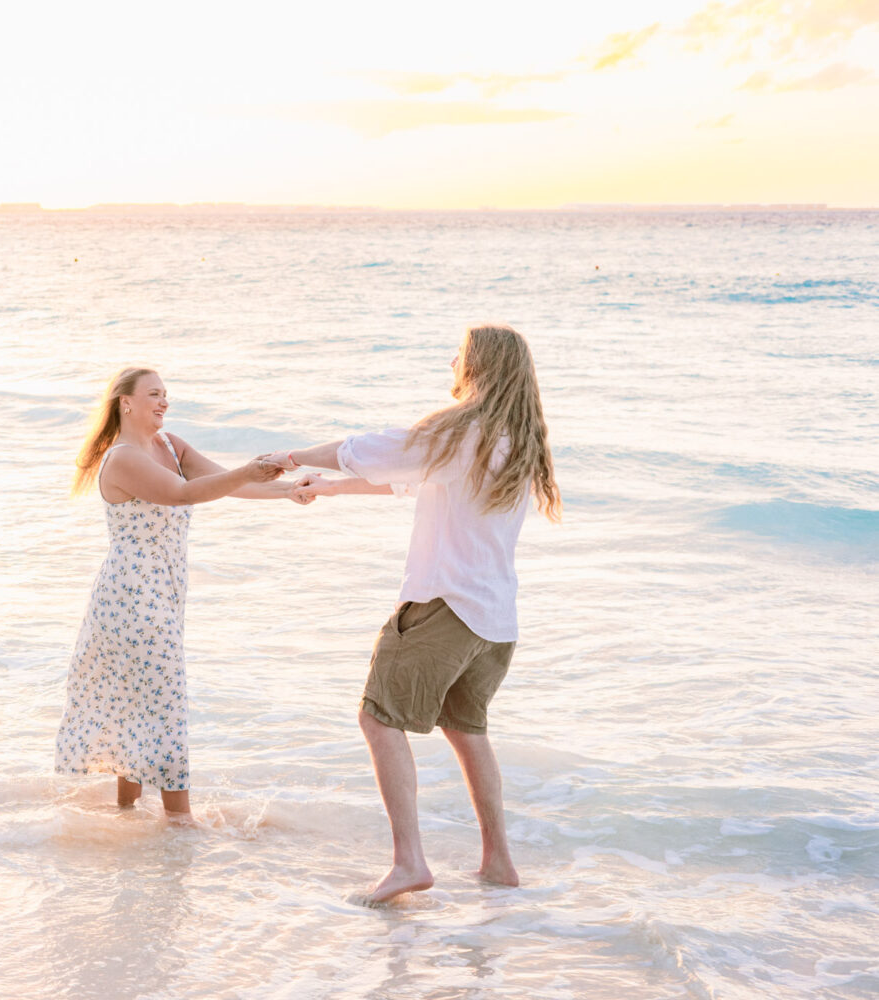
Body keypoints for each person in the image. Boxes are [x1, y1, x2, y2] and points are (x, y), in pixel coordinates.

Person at [273, 324, 561, 903]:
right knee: (466, 729)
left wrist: (289, 457)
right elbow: (415, 481)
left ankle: (409, 863)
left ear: (477, 366)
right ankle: (499, 864)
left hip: (444, 607)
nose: (451, 360)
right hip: (496, 623)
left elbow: (381, 450)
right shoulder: (518, 439)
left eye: (460, 353)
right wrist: (328, 488)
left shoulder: (464, 428)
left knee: (378, 718)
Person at [55, 367, 295, 823]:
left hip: (162, 593)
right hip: (130, 597)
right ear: (126, 403)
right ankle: (180, 826)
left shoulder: (170, 445)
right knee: (164, 706)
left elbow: (231, 484)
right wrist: (251, 468)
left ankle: (127, 813)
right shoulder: (122, 457)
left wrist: (287, 492)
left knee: (139, 701)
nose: (164, 402)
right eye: (153, 395)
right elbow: (183, 494)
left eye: (166, 395)